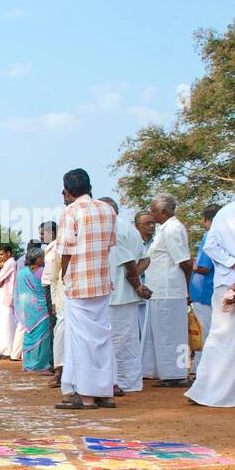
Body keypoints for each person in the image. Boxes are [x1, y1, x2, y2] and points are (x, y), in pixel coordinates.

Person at [55, 168, 117, 410]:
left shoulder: (70, 212)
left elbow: (66, 251)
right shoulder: (108, 210)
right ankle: (105, 393)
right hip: (101, 282)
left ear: (68, 191)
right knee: (101, 337)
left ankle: (87, 395)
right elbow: (110, 245)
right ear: (90, 187)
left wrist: (63, 277)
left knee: (81, 340)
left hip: (79, 284)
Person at [139, 192, 193, 388]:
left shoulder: (172, 229)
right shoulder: (165, 229)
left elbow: (185, 262)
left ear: (163, 211)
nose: (152, 216)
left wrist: (187, 288)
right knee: (161, 333)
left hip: (170, 290)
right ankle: (163, 372)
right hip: (160, 291)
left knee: (171, 334)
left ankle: (175, 375)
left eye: (153, 211)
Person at [186, 202, 235, 408]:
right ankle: (208, 389)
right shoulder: (226, 212)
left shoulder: (225, 211)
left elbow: (210, 246)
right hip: (227, 281)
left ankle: (206, 389)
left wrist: (231, 262)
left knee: (220, 338)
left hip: (225, 280)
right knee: (221, 338)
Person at [105, 198, 149, 395]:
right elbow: (145, 258)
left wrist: (136, 282)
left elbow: (129, 261)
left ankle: (120, 382)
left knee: (116, 342)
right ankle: (130, 381)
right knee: (128, 340)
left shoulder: (113, 228)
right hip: (126, 294)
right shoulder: (130, 229)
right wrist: (136, 282)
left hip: (117, 295)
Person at [189, 203, 220, 372]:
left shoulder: (209, 235)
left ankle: (199, 370)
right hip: (210, 290)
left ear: (206, 219)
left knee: (203, 333)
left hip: (204, 291)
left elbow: (203, 267)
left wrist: (189, 264)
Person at [15, 245, 53, 371]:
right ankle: (40, 364)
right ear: (37, 259)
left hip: (27, 310)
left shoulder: (22, 273)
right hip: (42, 309)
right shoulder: (43, 271)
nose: (44, 259)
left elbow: (18, 292)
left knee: (29, 335)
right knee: (43, 338)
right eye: (42, 257)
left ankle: (27, 363)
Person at [0, 245, 18, 358]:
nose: (0, 257)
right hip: (4, 296)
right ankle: (2, 349)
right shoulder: (8, 264)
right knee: (2, 324)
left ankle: (7, 350)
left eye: (2, 254)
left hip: (7, 296)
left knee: (7, 324)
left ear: (8, 253)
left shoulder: (10, 263)